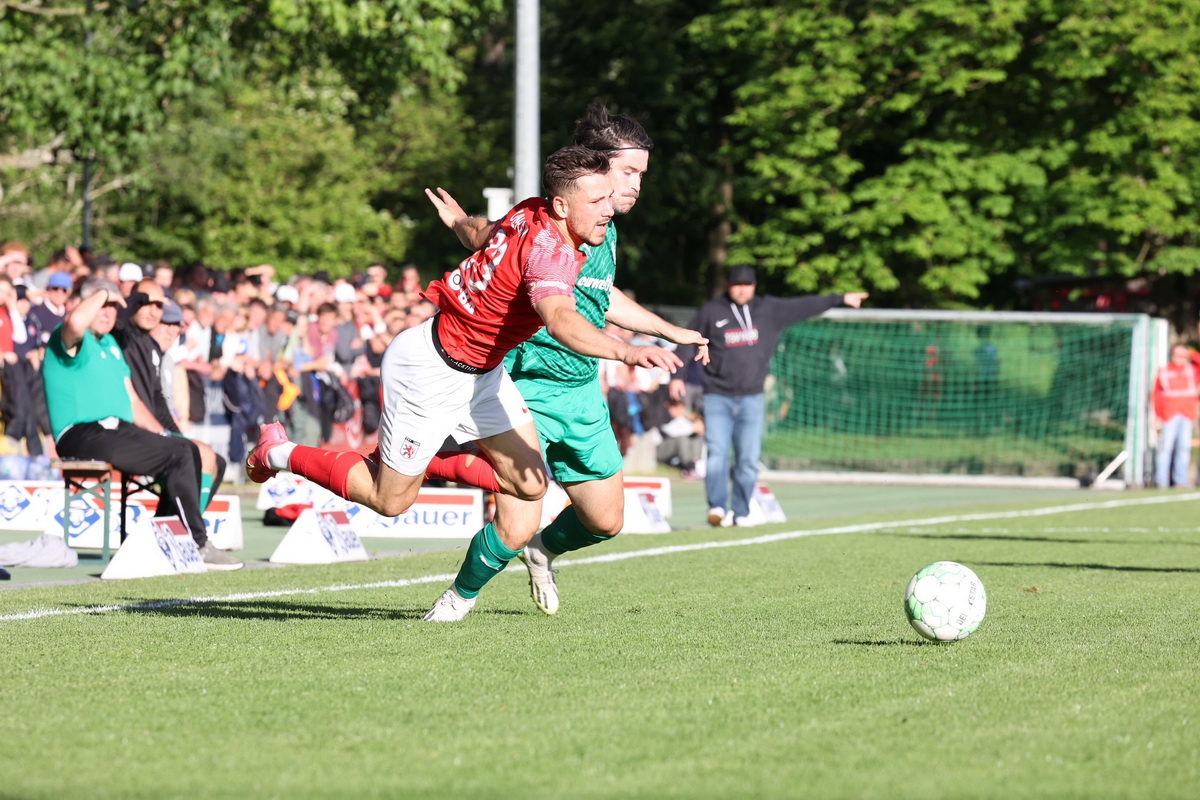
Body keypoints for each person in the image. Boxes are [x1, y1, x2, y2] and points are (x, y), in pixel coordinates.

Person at [247, 145, 683, 621]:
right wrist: (626, 350)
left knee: (530, 485)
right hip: (429, 370)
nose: (608, 208)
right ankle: (276, 452)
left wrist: (457, 220)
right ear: (561, 205)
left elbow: (479, 233)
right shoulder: (552, 253)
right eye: (596, 201)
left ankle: (436, 490)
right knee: (389, 500)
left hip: (483, 375)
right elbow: (560, 319)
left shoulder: (528, 212)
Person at [425, 103, 709, 617]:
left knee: (605, 521)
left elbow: (599, 293)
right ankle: (456, 598)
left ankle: (542, 552)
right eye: (629, 171)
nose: (637, 185)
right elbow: (492, 241)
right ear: (597, 165)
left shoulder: (603, 227)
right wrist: (462, 224)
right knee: (515, 522)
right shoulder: (546, 223)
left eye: (642, 174)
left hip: (580, 389)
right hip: (525, 385)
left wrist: (667, 330)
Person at [40, 277, 242, 569]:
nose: (108, 312)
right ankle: (196, 543)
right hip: (81, 432)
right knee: (179, 454)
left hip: (117, 429)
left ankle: (160, 543)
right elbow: (74, 322)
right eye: (102, 305)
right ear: (85, 304)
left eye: (113, 306)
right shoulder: (69, 338)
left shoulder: (109, 344)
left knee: (189, 451)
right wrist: (105, 292)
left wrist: (165, 436)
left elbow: (133, 401)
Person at [670, 265, 867, 527]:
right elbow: (687, 339)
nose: (742, 290)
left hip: (752, 397)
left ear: (754, 286)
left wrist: (839, 298)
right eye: (737, 285)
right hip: (717, 395)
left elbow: (805, 305)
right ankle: (717, 507)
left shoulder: (769, 309)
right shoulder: (712, 311)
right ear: (728, 286)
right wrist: (676, 376)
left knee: (748, 458)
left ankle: (741, 512)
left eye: (747, 285)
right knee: (717, 453)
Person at [113, 278, 228, 512]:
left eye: (177, 325)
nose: (172, 330)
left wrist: (176, 434)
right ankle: (187, 528)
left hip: (154, 431)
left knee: (217, 461)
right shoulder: (131, 342)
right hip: (129, 434)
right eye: (167, 323)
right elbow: (121, 322)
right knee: (200, 457)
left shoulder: (162, 357)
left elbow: (159, 404)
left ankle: (172, 524)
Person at [1151, 344, 1200, 488]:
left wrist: (1189, 353)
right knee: (1165, 448)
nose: (1180, 357)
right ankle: (1161, 481)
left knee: (1183, 449)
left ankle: (1181, 481)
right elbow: (1156, 395)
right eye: (1177, 354)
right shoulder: (1164, 371)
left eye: (1183, 355)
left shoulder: (1192, 370)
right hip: (1168, 415)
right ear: (1172, 355)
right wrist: (1157, 415)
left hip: (1187, 415)